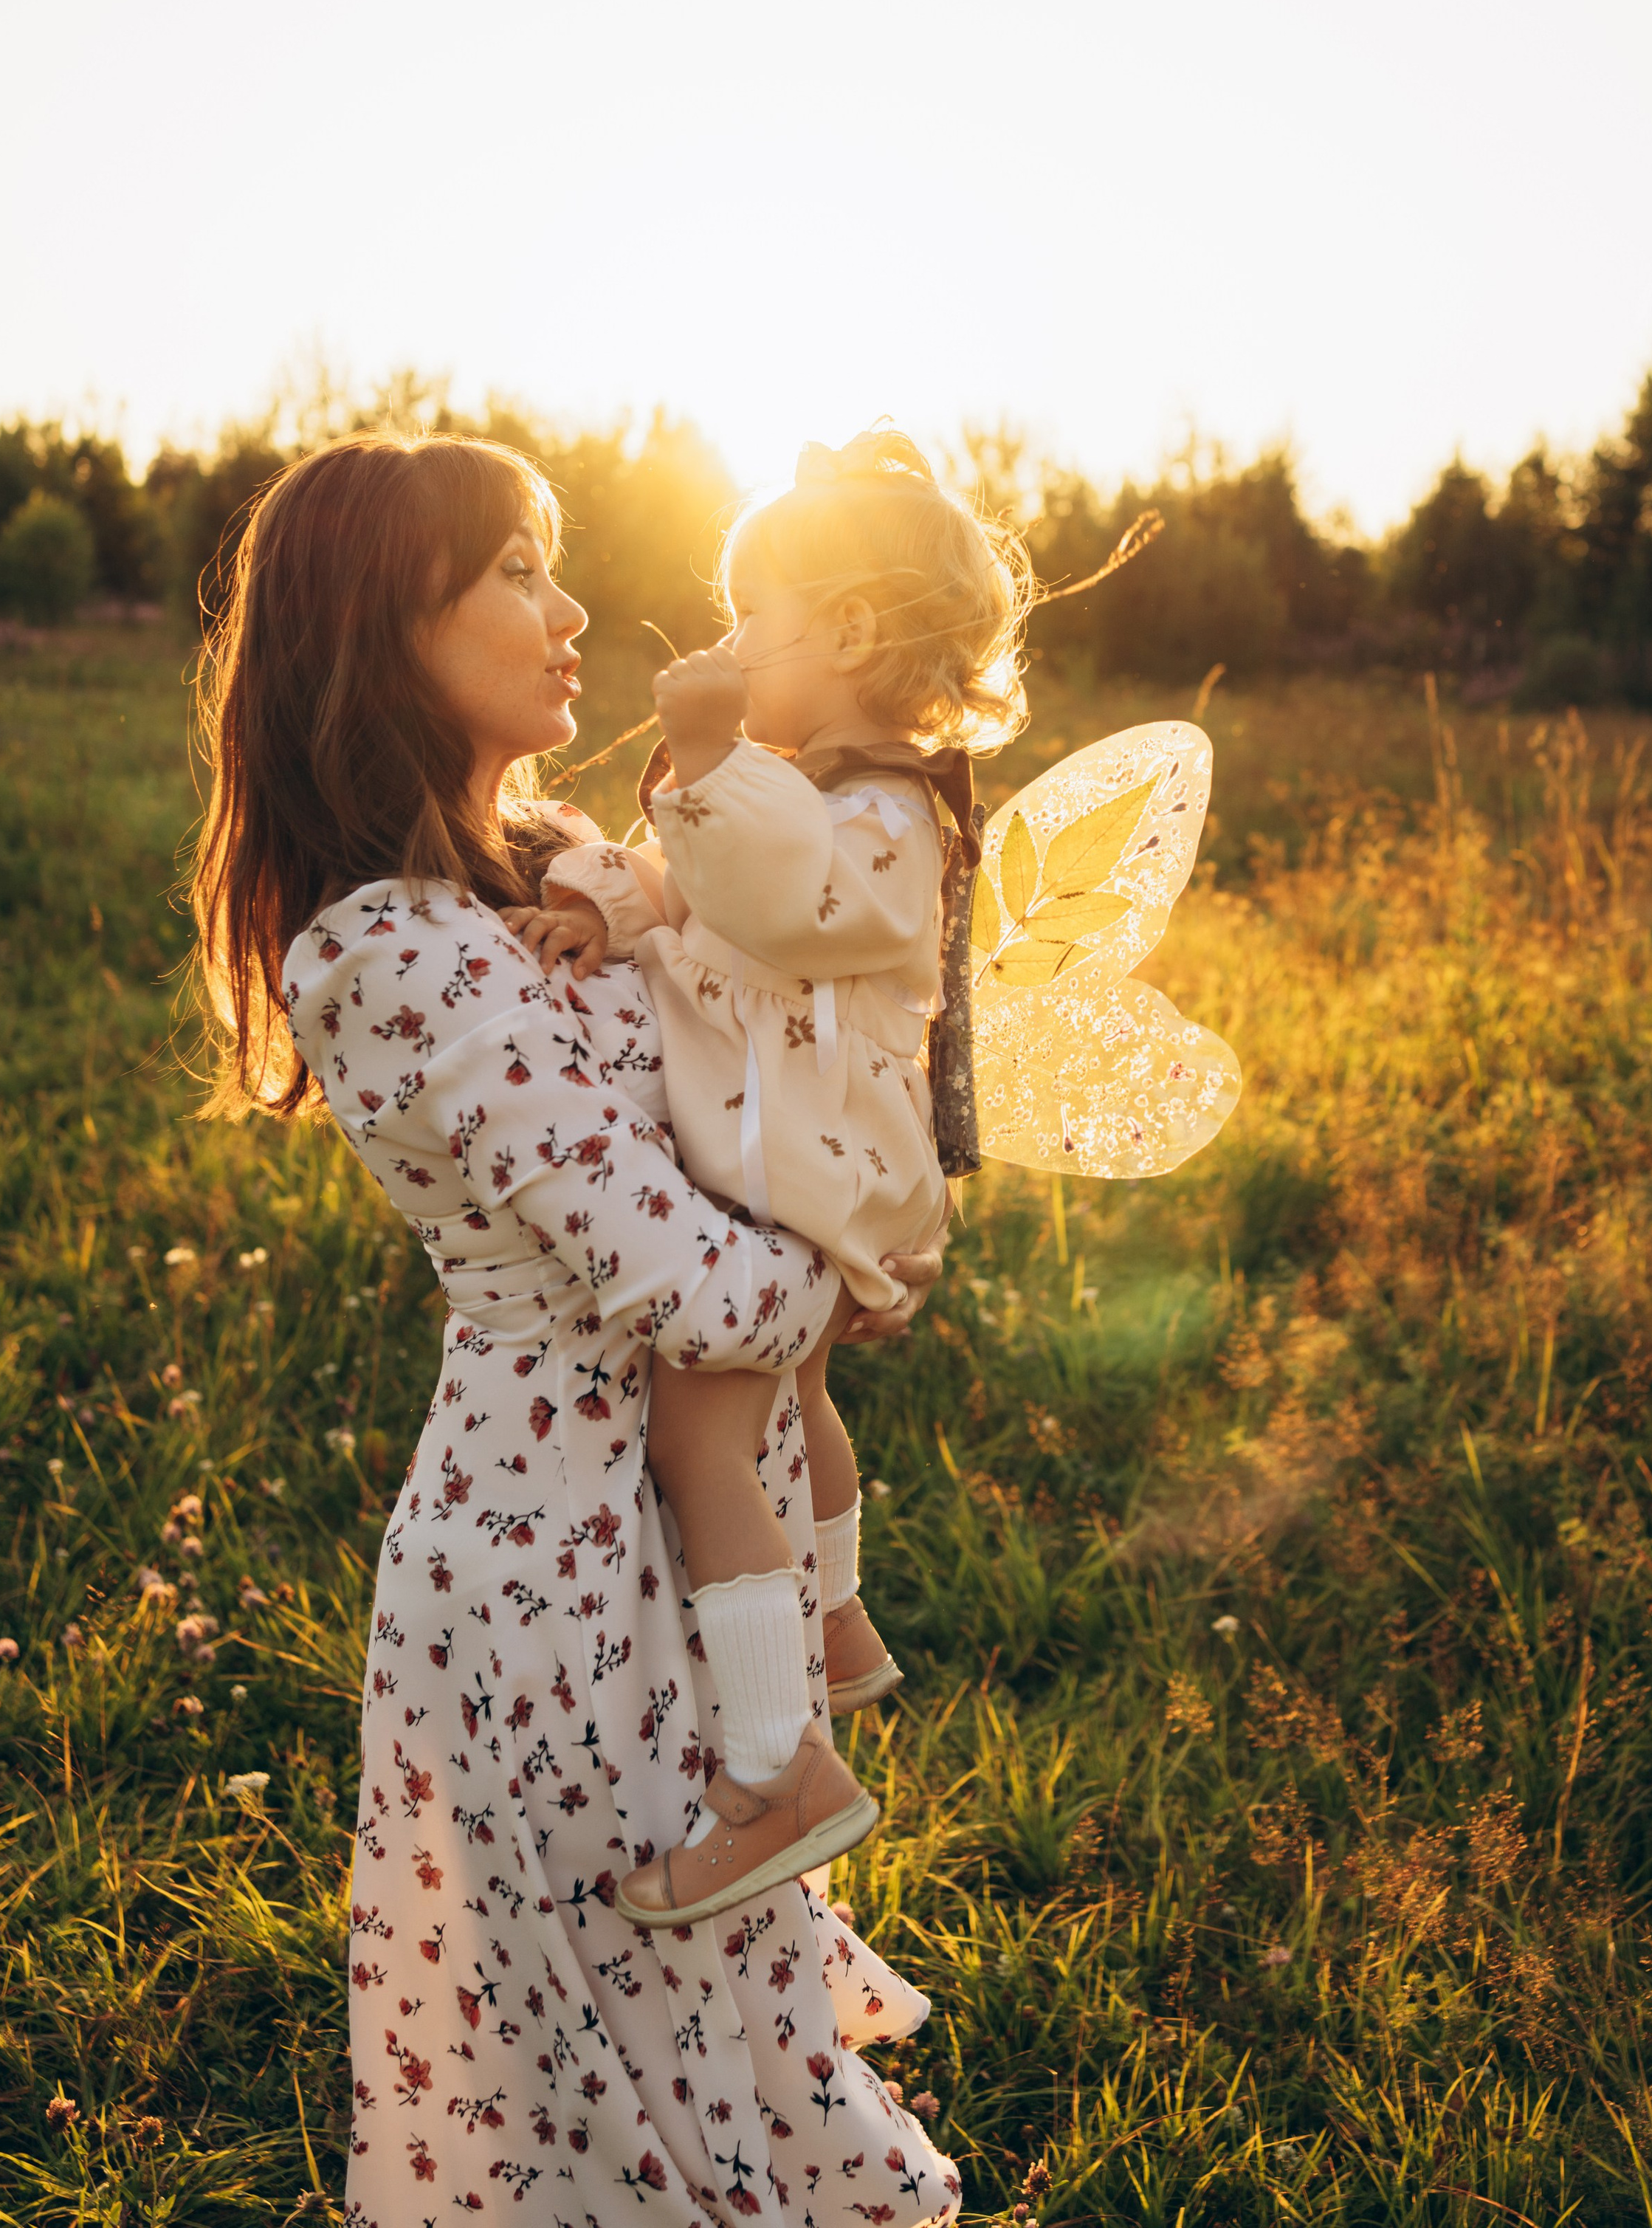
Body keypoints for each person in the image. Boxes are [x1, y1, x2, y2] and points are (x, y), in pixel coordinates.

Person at [190, 430, 960, 2228]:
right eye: (519, 571)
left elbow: (769, 1015)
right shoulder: (385, 950)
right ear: (390, 628)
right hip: (552, 1567)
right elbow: (683, 1282)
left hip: (678, 1543)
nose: (577, 607)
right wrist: (852, 1274)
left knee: (717, 2035)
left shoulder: (551, 866)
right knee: (612, 2083)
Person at [503, 430, 1032, 1928]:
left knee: (700, 1442)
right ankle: (841, 1621)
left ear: (850, 636)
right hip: (795, 1173)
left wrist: (716, 760)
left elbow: (776, 901)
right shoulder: (824, 802)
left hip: (791, 1186)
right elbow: (692, 895)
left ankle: (770, 1769)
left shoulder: (881, 821)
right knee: (796, 1406)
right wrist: (599, 903)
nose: (730, 646)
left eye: (757, 622)